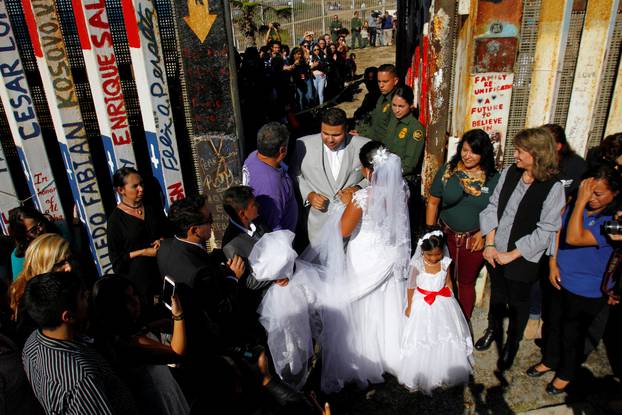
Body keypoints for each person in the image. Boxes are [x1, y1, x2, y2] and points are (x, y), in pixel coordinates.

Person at [476, 128, 565, 371]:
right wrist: (490, 244)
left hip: (523, 257)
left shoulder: (553, 187)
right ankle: (493, 329)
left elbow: (547, 230)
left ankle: (511, 344)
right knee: (497, 296)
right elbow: (493, 205)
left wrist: (512, 254)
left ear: (536, 154)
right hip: (496, 250)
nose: (514, 155)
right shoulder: (510, 172)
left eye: (519, 151)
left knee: (518, 304)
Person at [526, 164, 620, 395]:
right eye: (589, 192)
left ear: (615, 194)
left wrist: (579, 201)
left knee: (572, 335)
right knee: (553, 324)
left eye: (598, 194)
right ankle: (549, 359)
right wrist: (552, 263)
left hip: (586, 289)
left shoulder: (613, 221)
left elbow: (575, 237)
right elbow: (558, 231)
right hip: (560, 278)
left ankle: (566, 373)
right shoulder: (575, 205)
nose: (591, 199)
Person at [336, 141, 411, 384]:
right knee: (387, 303)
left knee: (365, 308)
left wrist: (349, 202)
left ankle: (368, 356)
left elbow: (343, 230)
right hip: (388, 255)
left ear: (369, 170)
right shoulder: (402, 190)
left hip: (365, 257)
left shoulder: (362, 197)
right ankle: (390, 354)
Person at [22, 271, 136, 414]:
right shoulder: (82, 379)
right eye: (82, 296)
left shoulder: (31, 344)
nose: (88, 295)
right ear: (68, 316)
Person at [157, 195, 245, 355]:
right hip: (209, 339)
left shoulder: (165, 247)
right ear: (194, 230)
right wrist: (234, 277)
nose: (212, 224)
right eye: (209, 220)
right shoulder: (198, 273)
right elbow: (221, 310)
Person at [426, 129, 500, 320]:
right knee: (441, 278)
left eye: (474, 152)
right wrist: (431, 233)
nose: (467, 156)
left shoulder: (494, 179)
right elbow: (433, 202)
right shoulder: (448, 171)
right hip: (445, 235)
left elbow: (496, 211)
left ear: (483, 154)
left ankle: (462, 324)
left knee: (466, 283)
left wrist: (483, 234)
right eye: (464, 150)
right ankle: (441, 320)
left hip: (473, 240)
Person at [90, 275, 189, 415]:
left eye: (134, 295)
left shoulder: (117, 335)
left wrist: (148, 327)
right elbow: (176, 353)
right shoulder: (129, 344)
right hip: (161, 403)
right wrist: (178, 315)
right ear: (113, 308)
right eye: (127, 301)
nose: (136, 302)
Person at [398, 231, 473, 393]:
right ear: (422, 251)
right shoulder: (417, 265)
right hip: (422, 302)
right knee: (424, 335)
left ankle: (444, 368)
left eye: (437, 254)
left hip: (442, 301)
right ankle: (423, 369)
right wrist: (410, 306)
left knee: (444, 333)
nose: (433, 258)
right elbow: (411, 287)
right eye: (429, 255)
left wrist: (452, 301)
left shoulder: (445, 263)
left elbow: (448, 282)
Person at [292, 108, 370, 242]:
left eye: (336, 135)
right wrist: (308, 195)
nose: (330, 139)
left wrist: (358, 188)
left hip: (352, 225)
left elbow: (379, 175)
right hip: (317, 225)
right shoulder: (302, 145)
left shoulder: (364, 145)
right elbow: (295, 174)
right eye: (325, 133)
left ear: (346, 129)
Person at [107, 167, 172, 305]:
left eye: (141, 184)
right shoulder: (115, 221)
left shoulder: (151, 208)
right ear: (121, 190)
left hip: (164, 276)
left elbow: (167, 230)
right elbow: (117, 262)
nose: (141, 189)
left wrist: (162, 240)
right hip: (141, 289)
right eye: (135, 186)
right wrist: (142, 252)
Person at [9, 234, 73, 345]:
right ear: (44, 266)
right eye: (60, 264)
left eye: (69, 260)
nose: (69, 268)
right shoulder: (32, 312)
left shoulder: (69, 285)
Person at [242, 122, 298, 233]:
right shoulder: (271, 185)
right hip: (282, 242)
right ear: (282, 150)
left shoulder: (254, 156)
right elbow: (273, 227)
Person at [381, 85, 425, 179]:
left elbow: (409, 165)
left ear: (410, 105)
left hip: (402, 178)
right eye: (394, 105)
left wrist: (387, 174)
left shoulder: (416, 129)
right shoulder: (393, 120)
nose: (396, 110)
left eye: (401, 106)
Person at [7, 206, 62, 279]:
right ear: (23, 235)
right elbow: (20, 287)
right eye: (33, 230)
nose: (41, 228)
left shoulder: (60, 230)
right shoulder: (19, 257)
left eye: (40, 223)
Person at [353, 63, 400, 140]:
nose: (381, 85)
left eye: (385, 81)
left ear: (395, 81)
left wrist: (363, 134)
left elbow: (389, 131)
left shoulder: (397, 101)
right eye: (379, 82)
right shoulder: (380, 98)